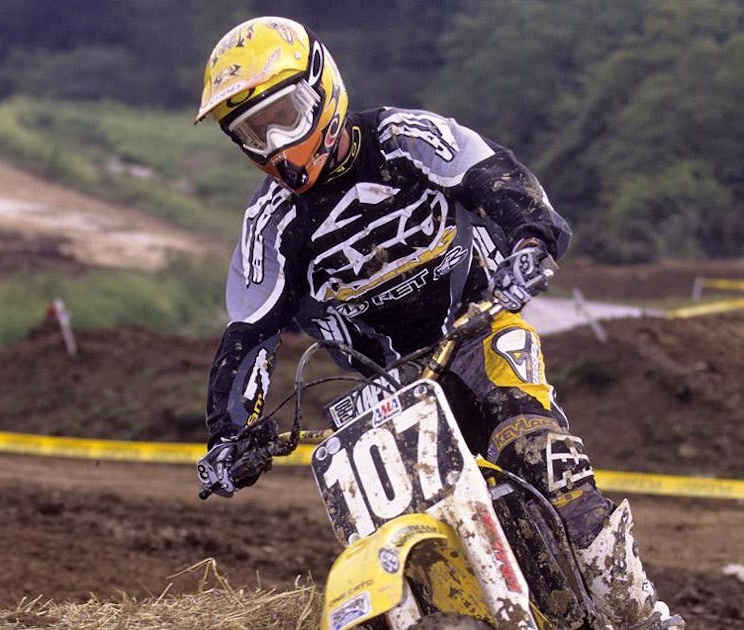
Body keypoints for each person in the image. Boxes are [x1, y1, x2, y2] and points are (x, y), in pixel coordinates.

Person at [194, 16, 684, 629]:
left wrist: (531, 240)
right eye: (251, 132)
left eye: (284, 118)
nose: (273, 146)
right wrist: (230, 434)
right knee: (395, 520)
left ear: (324, 89)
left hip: (478, 330)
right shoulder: (270, 223)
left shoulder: (403, 137)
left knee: (542, 459)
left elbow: (494, 176)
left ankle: (640, 615)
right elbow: (249, 332)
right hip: (385, 384)